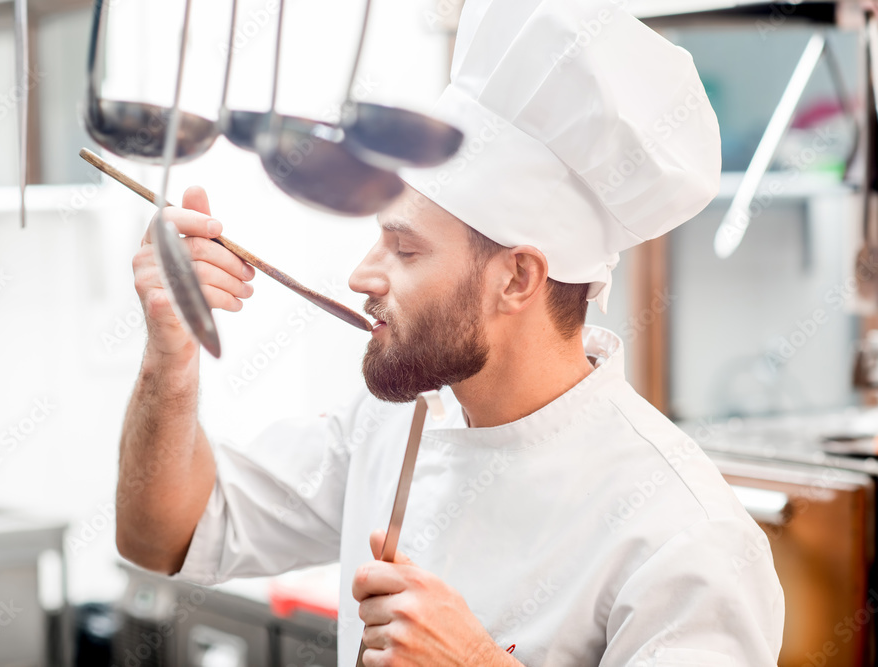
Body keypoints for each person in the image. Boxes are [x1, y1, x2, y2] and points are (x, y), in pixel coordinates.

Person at [116, 0, 785, 664]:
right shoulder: (392, 425)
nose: (360, 275)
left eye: (404, 250)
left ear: (518, 278)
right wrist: (169, 353)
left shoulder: (688, 534)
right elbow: (162, 534)